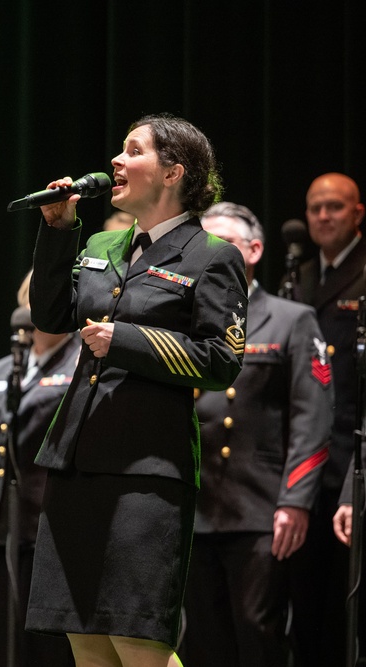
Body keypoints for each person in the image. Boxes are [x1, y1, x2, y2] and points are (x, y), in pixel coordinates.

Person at [24, 113, 248, 667]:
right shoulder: (103, 242)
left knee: (136, 638)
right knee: (86, 639)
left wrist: (125, 339)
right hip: (77, 457)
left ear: (173, 171)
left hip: (147, 469)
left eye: (132, 151)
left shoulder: (211, 257)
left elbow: (221, 360)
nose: (116, 163)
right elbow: (52, 317)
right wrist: (57, 231)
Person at [179, 202, 333, 667]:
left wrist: (294, 500)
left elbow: (313, 416)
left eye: (222, 243)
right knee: (203, 641)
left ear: (254, 250)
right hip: (196, 506)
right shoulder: (182, 320)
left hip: (260, 508)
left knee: (258, 636)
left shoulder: (291, 319)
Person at [0, 302, 79, 667]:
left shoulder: (79, 362)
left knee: (49, 649)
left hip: (52, 527)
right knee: (7, 643)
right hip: (2, 525)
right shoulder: (5, 366)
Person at [285, 172, 365, 666]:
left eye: (334, 207)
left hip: (350, 458)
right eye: (315, 208)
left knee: (345, 607)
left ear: (357, 213)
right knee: (304, 607)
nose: (322, 216)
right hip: (306, 463)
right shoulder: (298, 277)